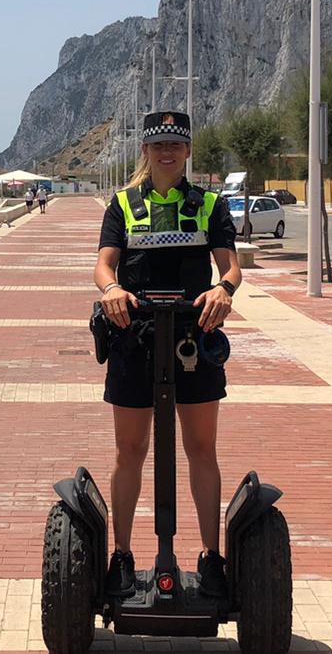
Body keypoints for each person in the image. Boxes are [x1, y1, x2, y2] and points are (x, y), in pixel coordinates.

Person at [92, 111, 241, 598]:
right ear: (146, 153)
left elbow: (231, 267)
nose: (167, 153)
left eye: (176, 145)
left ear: (188, 151)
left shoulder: (209, 205)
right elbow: (103, 265)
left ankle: (211, 559)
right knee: (129, 451)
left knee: (202, 449)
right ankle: (121, 557)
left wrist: (223, 289)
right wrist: (111, 289)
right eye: (158, 146)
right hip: (133, 339)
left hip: (192, 338)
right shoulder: (122, 205)